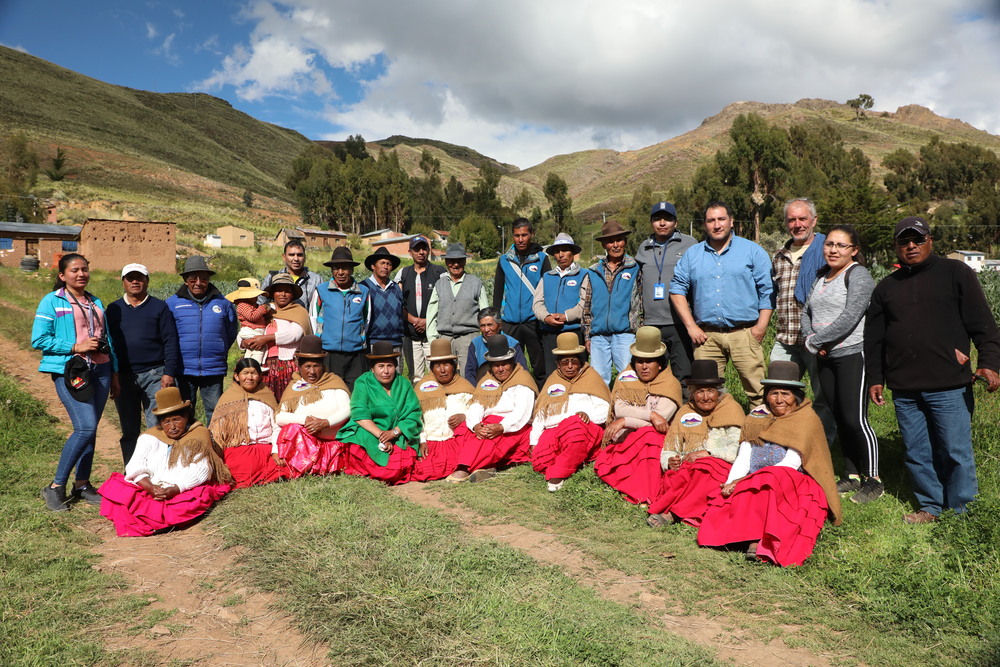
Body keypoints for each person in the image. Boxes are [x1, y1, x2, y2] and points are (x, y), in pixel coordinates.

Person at [865, 216, 1000, 523]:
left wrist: (990, 363)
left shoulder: (956, 273)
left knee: (955, 451)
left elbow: (984, 326)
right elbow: (873, 339)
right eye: (904, 241)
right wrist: (876, 377)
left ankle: (963, 512)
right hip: (904, 388)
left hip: (950, 384)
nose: (911, 246)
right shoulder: (886, 287)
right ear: (896, 247)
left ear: (930, 241)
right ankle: (930, 507)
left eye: (917, 240)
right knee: (917, 452)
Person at [697, 361, 842, 566]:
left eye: (786, 394)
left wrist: (745, 480)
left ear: (796, 397)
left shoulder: (806, 420)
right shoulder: (757, 416)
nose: (779, 400)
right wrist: (731, 482)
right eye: (774, 393)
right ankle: (741, 535)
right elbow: (745, 454)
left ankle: (758, 540)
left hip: (789, 483)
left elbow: (791, 463)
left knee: (771, 481)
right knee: (728, 497)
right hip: (751, 479)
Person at [33, 253, 120, 511]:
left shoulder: (95, 301)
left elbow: (108, 338)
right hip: (71, 371)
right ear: (62, 275)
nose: (81, 274)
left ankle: (81, 485)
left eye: (84, 269)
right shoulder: (52, 301)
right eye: (74, 270)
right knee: (85, 427)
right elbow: (39, 339)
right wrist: (75, 346)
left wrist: (114, 373)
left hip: (101, 370)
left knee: (90, 430)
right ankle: (55, 487)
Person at [801, 225, 882, 503]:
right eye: (829, 244)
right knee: (838, 416)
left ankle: (874, 479)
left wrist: (818, 340)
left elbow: (851, 316)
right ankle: (852, 475)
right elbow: (806, 310)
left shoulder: (857, 275)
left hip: (851, 354)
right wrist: (812, 339)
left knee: (855, 418)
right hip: (825, 356)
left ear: (854, 251)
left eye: (841, 245)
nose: (833, 250)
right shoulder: (821, 276)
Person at [670, 201, 773, 407]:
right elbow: (677, 289)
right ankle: (714, 433)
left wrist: (761, 326)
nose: (717, 225)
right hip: (706, 337)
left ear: (731, 221)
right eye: (711, 220)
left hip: (745, 332)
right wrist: (691, 326)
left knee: (757, 392)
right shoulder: (693, 254)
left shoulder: (752, 251)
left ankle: (759, 434)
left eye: (721, 219)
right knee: (706, 393)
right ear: (705, 224)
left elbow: (767, 289)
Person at [97, 387, 233, 536]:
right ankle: (157, 520)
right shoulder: (149, 437)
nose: (172, 427)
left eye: (177, 420)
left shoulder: (199, 435)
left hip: (180, 490)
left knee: (200, 496)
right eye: (166, 422)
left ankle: (153, 520)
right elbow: (135, 465)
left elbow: (202, 469)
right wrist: (150, 487)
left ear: (186, 417)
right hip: (151, 488)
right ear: (160, 423)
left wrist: (176, 488)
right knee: (115, 486)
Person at [646, 360, 745, 527]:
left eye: (710, 391)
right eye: (700, 392)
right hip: (688, 465)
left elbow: (738, 449)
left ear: (718, 393)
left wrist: (708, 453)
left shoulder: (732, 409)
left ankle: (673, 512)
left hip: (719, 466)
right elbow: (670, 446)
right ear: (692, 394)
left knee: (703, 469)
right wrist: (670, 461)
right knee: (677, 474)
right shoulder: (686, 411)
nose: (705, 397)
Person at [593, 326, 683, 504]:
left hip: (653, 443)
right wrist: (650, 415)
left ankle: (645, 492)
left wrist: (626, 421)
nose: (644, 367)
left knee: (649, 435)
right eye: (639, 361)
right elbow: (619, 408)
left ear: (660, 364)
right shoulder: (626, 378)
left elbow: (659, 424)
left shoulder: (670, 385)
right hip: (625, 441)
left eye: (649, 362)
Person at [771, 198, 835, 443]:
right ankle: (784, 441)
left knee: (822, 396)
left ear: (814, 221)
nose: (797, 224)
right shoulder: (779, 256)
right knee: (779, 393)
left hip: (816, 339)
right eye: (791, 219)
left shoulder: (827, 251)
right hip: (785, 339)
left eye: (802, 219)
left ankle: (822, 445)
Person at [105, 262, 180, 466]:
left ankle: (158, 469)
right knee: (129, 429)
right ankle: (132, 471)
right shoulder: (113, 309)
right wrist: (113, 375)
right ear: (123, 282)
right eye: (130, 278)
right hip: (124, 376)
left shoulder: (159, 307)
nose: (135, 281)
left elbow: (170, 340)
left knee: (156, 426)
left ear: (147, 280)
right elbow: (107, 343)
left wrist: (169, 373)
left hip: (155, 374)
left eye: (140, 277)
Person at [445, 336, 538, 483]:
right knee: (464, 430)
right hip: (487, 423)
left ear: (512, 362)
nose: (500, 369)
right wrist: (475, 425)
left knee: (488, 438)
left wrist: (502, 426)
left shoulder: (523, 380)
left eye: (505, 364)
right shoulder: (487, 380)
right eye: (496, 365)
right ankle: (486, 466)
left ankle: (465, 466)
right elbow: (477, 404)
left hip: (513, 427)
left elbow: (522, 413)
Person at [529, 332, 612, 492]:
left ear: (580, 362)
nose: (569, 366)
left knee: (574, 426)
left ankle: (558, 474)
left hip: (583, 428)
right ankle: (576, 459)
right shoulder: (553, 380)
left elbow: (605, 409)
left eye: (573, 361)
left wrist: (588, 416)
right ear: (557, 364)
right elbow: (541, 412)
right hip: (554, 430)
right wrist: (534, 440)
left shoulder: (591, 377)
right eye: (564, 362)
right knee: (539, 462)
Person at [337, 342, 423, 485]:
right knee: (361, 445)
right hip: (370, 430)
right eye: (380, 366)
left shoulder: (404, 383)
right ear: (372, 368)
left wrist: (394, 432)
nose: (386, 371)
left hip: (397, 432)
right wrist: (382, 436)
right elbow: (359, 413)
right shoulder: (363, 382)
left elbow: (413, 414)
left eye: (389, 366)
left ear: (395, 367)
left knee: (395, 470)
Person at [166, 256, 238, 425]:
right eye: (193, 278)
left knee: (215, 412)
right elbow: (167, 336)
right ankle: (189, 448)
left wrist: (218, 349)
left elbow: (230, 331)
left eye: (203, 278)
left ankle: (213, 448)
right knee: (184, 412)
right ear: (185, 280)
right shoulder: (172, 303)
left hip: (213, 369)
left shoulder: (223, 303)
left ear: (208, 280)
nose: (198, 282)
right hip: (183, 370)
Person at [635, 202, 697, 388]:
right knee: (653, 377)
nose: (662, 223)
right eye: (657, 219)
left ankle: (682, 414)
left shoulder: (690, 244)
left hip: (680, 323)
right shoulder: (643, 247)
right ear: (651, 223)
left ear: (676, 222)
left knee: (684, 375)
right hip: (651, 324)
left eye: (667, 219)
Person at [274, 335, 353, 476]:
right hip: (305, 443)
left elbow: (348, 409)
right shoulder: (295, 386)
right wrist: (306, 420)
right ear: (299, 366)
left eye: (316, 366)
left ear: (323, 366)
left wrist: (325, 423)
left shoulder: (334, 382)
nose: (312, 371)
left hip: (332, 441)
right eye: (307, 366)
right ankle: (305, 466)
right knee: (291, 429)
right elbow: (280, 417)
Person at [209, 358, 291, 488]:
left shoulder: (267, 396)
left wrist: (276, 451)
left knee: (284, 467)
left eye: (253, 373)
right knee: (237, 472)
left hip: (266, 448)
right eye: (245, 373)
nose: (249, 377)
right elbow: (218, 433)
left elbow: (276, 427)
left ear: (259, 376)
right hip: (239, 449)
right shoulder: (228, 399)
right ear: (236, 376)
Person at [580, 220, 643, 384]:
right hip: (598, 336)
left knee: (628, 378)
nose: (615, 245)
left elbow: (642, 301)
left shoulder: (635, 267)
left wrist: (639, 329)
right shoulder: (594, 271)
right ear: (604, 245)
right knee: (599, 381)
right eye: (610, 241)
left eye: (619, 240)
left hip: (625, 334)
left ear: (625, 242)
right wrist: (588, 335)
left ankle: (626, 410)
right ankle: (602, 410)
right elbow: (587, 306)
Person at [493, 218, 550, 386]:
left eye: (524, 235)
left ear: (531, 234)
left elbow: (547, 290)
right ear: (512, 236)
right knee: (510, 366)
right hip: (510, 323)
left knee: (540, 367)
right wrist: (498, 320)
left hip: (534, 322)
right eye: (517, 235)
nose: (520, 239)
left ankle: (541, 402)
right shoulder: (504, 260)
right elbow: (498, 291)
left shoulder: (541, 259)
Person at [410, 338, 476, 482]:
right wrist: (422, 440)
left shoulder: (465, 387)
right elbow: (415, 418)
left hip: (456, 441)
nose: (443, 370)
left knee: (466, 461)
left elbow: (477, 412)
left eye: (446, 364)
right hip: (431, 442)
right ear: (432, 369)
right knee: (423, 471)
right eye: (438, 365)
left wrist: (464, 416)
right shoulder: (422, 389)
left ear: (454, 366)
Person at [240, 274, 312, 398]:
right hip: (263, 364)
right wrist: (243, 342)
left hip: (288, 365)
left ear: (293, 294)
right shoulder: (264, 310)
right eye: (279, 290)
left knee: (288, 399)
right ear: (273, 293)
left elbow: (294, 334)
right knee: (265, 400)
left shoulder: (299, 311)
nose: (283, 294)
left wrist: (267, 338)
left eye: (287, 291)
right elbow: (247, 327)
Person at [426, 243, 489, 376]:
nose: (455, 265)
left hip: (468, 338)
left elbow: (485, 312)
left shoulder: (475, 283)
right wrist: (433, 340)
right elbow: (431, 313)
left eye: (459, 260)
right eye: (451, 261)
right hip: (444, 339)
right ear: (446, 262)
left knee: (468, 374)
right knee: (444, 376)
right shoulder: (440, 284)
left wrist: (484, 335)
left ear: (465, 261)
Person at [315, 247, 370, 391]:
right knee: (331, 393)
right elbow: (313, 318)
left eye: (344, 268)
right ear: (331, 270)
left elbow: (367, 319)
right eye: (336, 268)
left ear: (351, 269)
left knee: (357, 393)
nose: (340, 273)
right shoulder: (321, 290)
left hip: (355, 354)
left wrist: (359, 340)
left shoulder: (363, 291)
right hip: (329, 353)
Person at [532, 233, 586, 377]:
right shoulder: (547, 276)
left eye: (565, 250)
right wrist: (546, 317)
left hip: (573, 333)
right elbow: (537, 303)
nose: (561, 255)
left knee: (574, 371)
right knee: (552, 372)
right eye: (557, 251)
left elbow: (585, 304)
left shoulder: (584, 275)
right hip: (549, 334)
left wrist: (566, 316)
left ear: (573, 253)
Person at [395, 235, 446, 381]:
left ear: (429, 251)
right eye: (417, 249)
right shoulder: (403, 273)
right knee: (415, 376)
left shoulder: (439, 272)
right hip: (411, 335)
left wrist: (427, 320)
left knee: (436, 374)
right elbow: (397, 302)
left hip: (433, 334)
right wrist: (412, 319)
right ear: (410, 252)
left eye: (424, 249)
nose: (421, 252)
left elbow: (445, 301)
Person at [260, 240, 324, 332]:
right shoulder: (273, 277)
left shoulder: (315, 279)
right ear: (284, 257)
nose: (296, 259)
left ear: (305, 257)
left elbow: (321, 309)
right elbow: (261, 303)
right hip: (276, 330)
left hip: (306, 330)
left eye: (300, 255)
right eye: (291, 255)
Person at [464, 307, 527, 385]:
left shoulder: (513, 344)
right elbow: (470, 373)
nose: (486, 330)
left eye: (490, 325)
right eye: (483, 326)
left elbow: (522, 370)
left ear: (500, 325)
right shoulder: (475, 344)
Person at [363, 247, 405, 351]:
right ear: (373, 266)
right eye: (382, 263)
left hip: (395, 342)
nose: (385, 267)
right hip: (372, 342)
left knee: (396, 368)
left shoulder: (396, 288)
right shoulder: (364, 287)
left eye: (388, 264)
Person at [227, 277, 270, 367]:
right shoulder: (243, 305)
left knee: (251, 351)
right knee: (259, 349)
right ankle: (256, 366)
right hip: (251, 331)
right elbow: (252, 317)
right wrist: (263, 308)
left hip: (253, 331)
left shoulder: (252, 305)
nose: (257, 297)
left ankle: (248, 364)